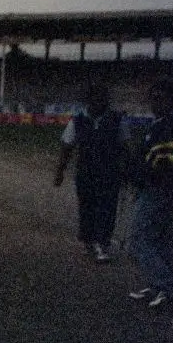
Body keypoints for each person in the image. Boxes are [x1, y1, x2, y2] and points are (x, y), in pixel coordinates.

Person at [126, 77, 173, 308]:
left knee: (138, 240)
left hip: (161, 192)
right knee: (161, 242)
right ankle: (162, 287)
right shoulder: (159, 125)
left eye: (161, 97)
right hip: (152, 189)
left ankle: (165, 284)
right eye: (153, 96)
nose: (155, 101)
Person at [53, 82, 130, 262]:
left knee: (107, 208)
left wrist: (127, 170)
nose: (98, 101)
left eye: (102, 98)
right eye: (94, 98)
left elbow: (126, 147)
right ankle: (89, 241)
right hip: (86, 172)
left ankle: (102, 244)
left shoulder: (117, 119)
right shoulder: (78, 120)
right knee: (87, 207)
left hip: (110, 173)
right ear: (88, 100)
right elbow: (67, 146)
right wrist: (60, 171)